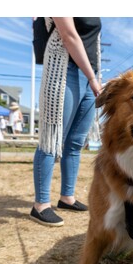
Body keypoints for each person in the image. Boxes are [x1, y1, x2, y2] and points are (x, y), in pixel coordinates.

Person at [30, 17, 102, 226]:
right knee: (52, 139)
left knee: (76, 142)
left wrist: (93, 76)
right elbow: (69, 36)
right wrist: (92, 78)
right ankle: (41, 205)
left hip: (89, 76)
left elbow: (90, 42)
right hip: (65, 70)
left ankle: (67, 198)